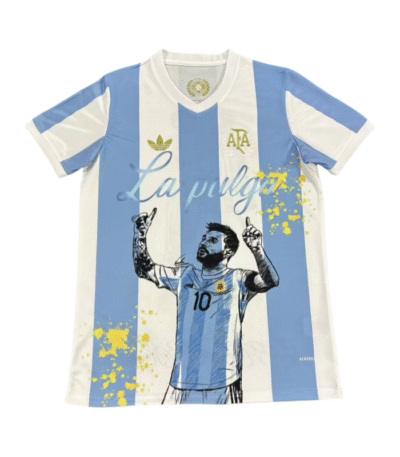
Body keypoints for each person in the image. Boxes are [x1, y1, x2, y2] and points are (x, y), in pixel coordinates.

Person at [132, 208, 279, 404]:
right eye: (203, 239)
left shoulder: (239, 279)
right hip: (180, 383)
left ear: (228, 251)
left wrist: (257, 249)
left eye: (212, 240)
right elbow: (144, 269)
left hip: (223, 383)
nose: (203, 243)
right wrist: (140, 236)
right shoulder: (184, 275)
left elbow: (270, 281)